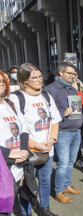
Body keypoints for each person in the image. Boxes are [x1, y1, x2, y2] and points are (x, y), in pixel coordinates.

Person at [9, 63, 61, 216]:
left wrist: (51, 141)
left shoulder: (46, 95)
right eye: (34, 77)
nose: (40, 80)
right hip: (27, 151)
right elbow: (17, 129)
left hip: (46, 149)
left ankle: (44, 209)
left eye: (40, 76)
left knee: (45, 180)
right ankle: (26, 212)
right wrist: (35, 144)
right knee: (27, 184)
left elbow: (55, 121)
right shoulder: (16, 98)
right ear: (24, 80)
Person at [44, 61, 83, 204]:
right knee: (63, 163)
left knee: (71, 162)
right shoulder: (50, 89)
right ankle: (59, 191)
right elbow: (47, 112)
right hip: (62, 131)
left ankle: (67, 185)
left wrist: (81, 118)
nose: (73, 76)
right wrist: (63, 112)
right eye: (70, 73)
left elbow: (76, 109)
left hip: (76, 130)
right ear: (60, 73)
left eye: (74, 74)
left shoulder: (73, 89)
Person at [0, 70, 30, 216]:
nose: (0, 84)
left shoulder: (8, 104)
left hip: (16, 167)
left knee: (11, 206)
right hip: (2, 169)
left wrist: (23, 151)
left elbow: (24, 127)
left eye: (1, 81)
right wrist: (11, 154)